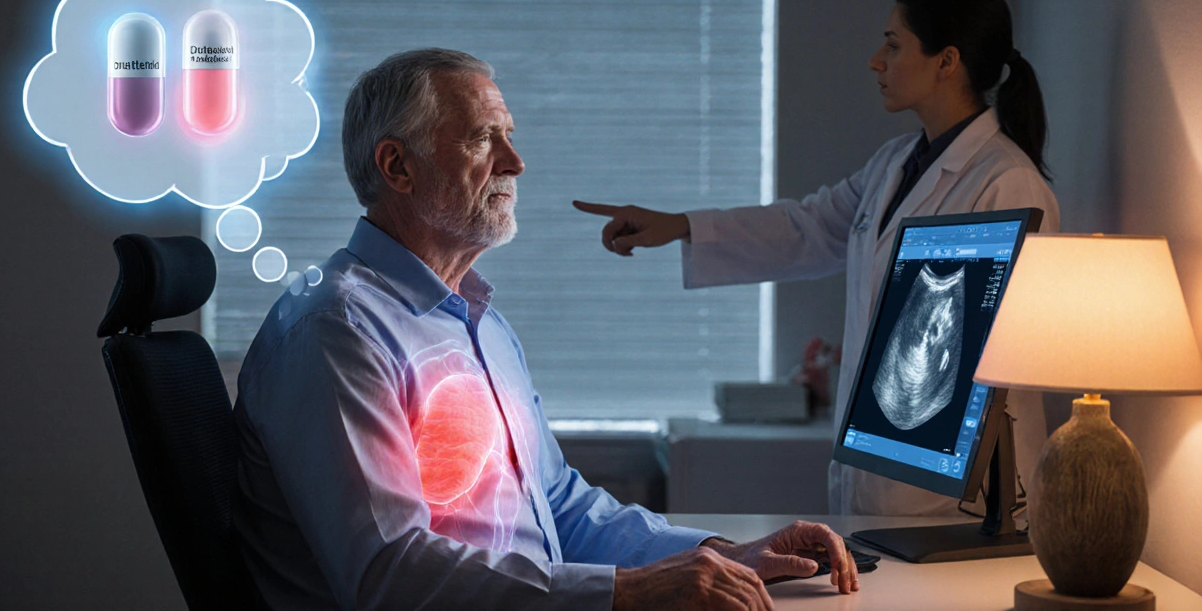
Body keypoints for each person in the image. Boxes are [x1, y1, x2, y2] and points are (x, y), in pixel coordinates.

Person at [232, 48, 859, 610]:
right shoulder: (336, 330)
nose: (517, 162)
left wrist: (729, 553)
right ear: (397, 166)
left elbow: (559, 507)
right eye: (484, 139)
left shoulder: (479, 323)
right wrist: (630, 592)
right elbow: (388, 575)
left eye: (509, 136)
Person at [575, 0, 1060, 517]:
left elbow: (983, 357)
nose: (876, 61)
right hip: (880, 474)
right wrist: (680, 225)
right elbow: (808, 227)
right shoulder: (896, 164)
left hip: (958, 496)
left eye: (894, 45)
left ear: (946, 61)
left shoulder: (1005, 184)